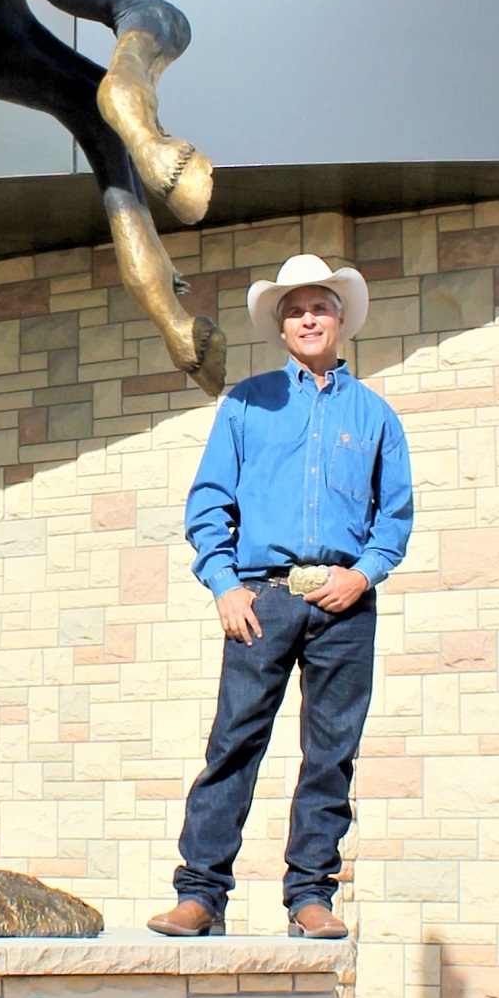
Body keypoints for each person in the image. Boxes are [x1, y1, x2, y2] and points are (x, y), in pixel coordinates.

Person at [148, 253, 413, 941]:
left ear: (339, 319)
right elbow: (209, 504)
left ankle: (310, 896)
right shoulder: (246, 405)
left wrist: (363, 574)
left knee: (331, 752)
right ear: (281, 325)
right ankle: (200, 893)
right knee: (234, 742)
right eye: (295, 310)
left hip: (344, 603)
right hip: (262, 599)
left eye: (319, 307)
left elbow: (394, 518)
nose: (308, 319)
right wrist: (224, 586)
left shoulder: (375, 416)